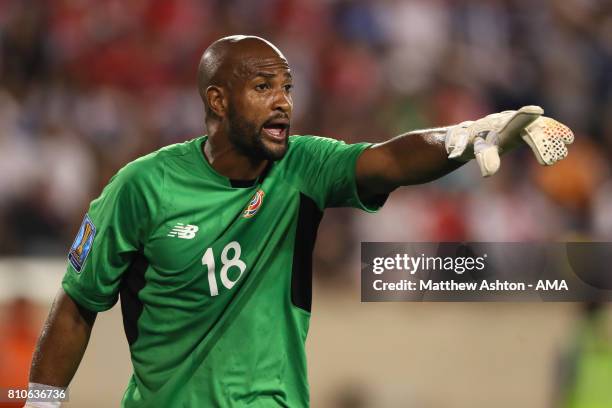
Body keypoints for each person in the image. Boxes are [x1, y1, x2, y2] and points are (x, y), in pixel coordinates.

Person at [25, 35, 574, 408]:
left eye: (286, 86)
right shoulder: (142, 186)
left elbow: (389, 160)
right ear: (217, 100)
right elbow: (77, 302)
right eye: (263, 87)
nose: (282, 102)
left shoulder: (304, 167)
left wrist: (462, 137)